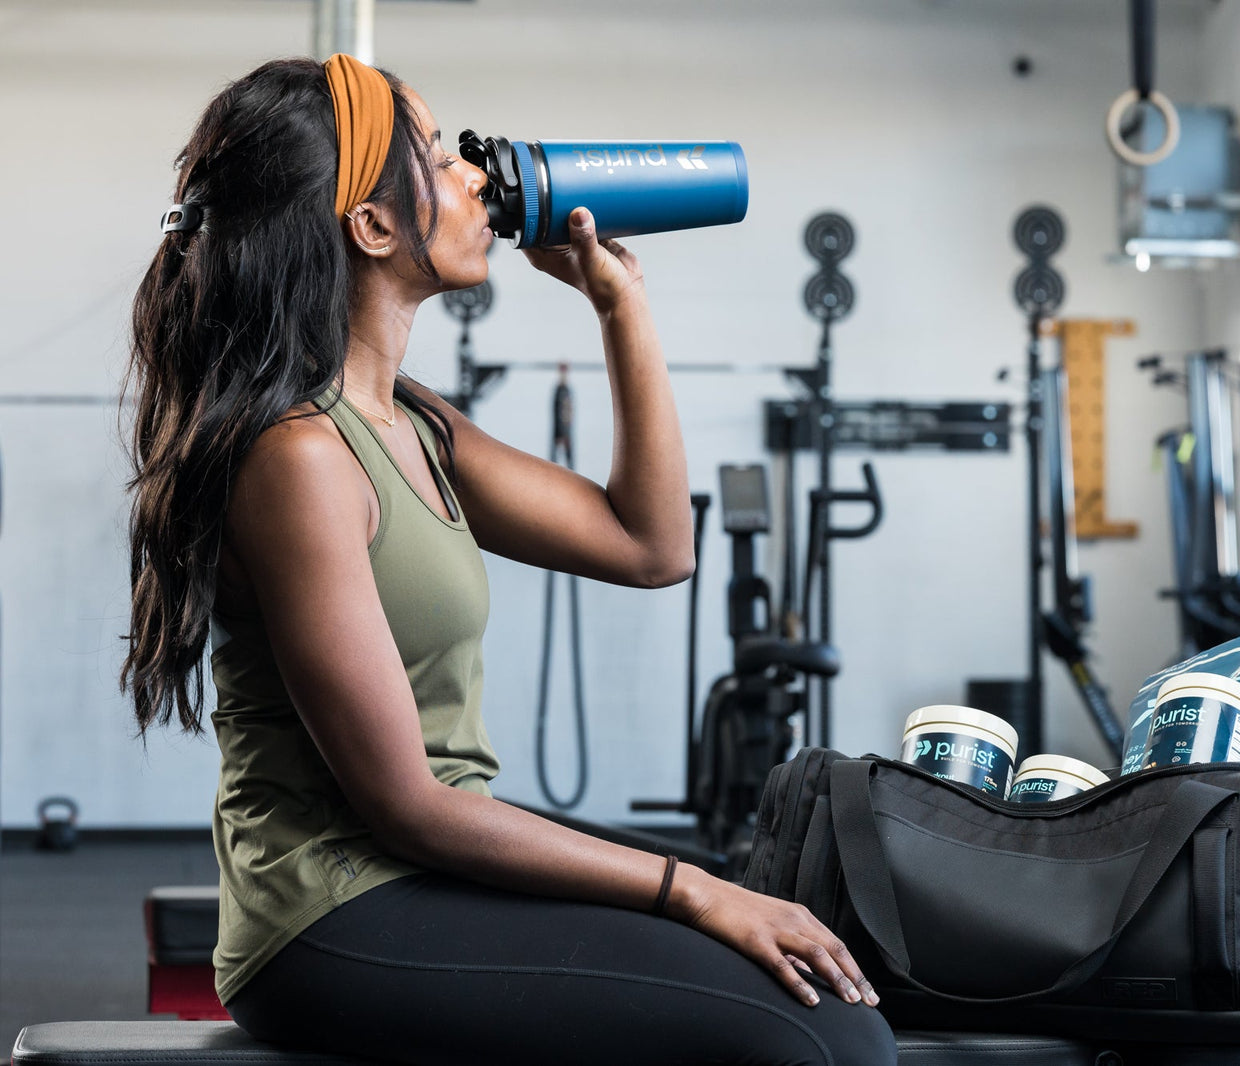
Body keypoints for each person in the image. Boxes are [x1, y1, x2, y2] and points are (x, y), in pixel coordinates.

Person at [121, 54, 895, 1066]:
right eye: (438, 156)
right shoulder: (300, 459)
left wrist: (621, 309)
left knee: (818, 943)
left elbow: (653, 546)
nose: (476, 177)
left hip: (423, 865)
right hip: (334, 915)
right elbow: (405, 804)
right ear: (373, 226)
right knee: (825, 1033)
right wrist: (694, 889)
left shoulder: (413, 422)